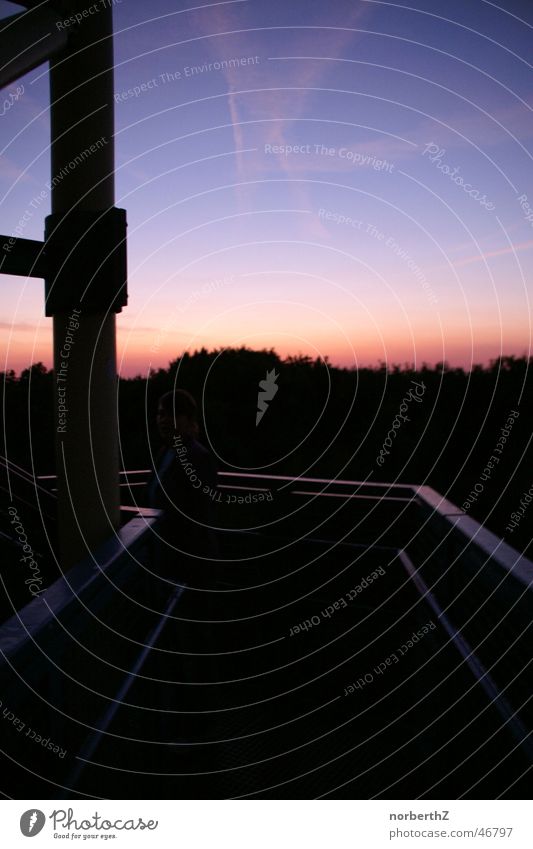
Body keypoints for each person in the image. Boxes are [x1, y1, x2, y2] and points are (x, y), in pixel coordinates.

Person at [147, 388, 218, 586]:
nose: (163, 420)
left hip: (188, 561)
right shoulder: (165, 451)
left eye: (172, 414)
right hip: (166, 553)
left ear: (187, 419)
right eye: (161, 414)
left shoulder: (198, 457)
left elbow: (200, 516)